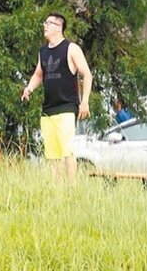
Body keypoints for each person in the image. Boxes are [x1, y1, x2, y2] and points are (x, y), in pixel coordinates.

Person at [21, 11, 92, 182]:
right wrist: (29, 88)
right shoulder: (43, 52)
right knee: (52, 154)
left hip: (67, 106)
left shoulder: (71, 48)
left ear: (59, 27)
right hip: (48, 108)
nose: (44, 26)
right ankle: (56, 188)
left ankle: (71, 186)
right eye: (44, 23)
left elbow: (87, 74)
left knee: (67, 150)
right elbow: (39, 74)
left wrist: (85, 102)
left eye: (48, 23)